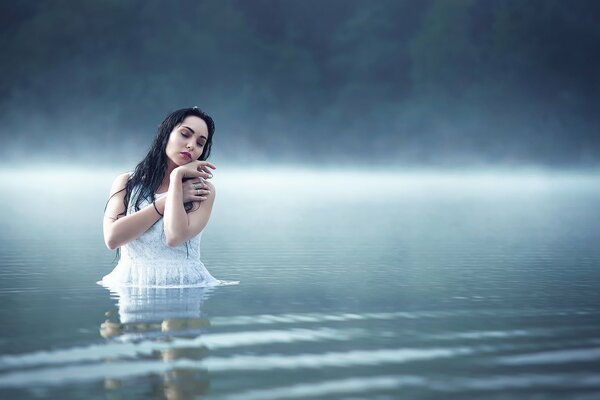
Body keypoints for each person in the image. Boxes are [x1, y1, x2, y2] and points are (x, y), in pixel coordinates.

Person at [100, 107, 237, 288]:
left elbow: (175, 237)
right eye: (185, 134)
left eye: (200, 143)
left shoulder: (202, 191)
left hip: (184, 286)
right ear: (166, 133)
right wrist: (170, 198)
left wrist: (176, 177)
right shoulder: (127, 182)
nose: (191, 145)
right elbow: (112, 238)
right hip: (132, 283)